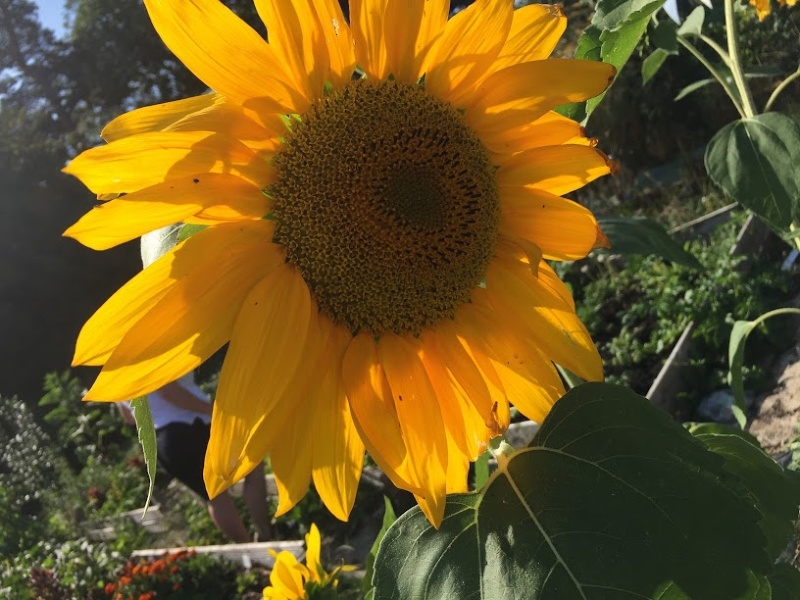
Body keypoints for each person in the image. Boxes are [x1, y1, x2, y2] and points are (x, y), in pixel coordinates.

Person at [118, 373, 271, 543]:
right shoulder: (145, 358)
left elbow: (129, 418)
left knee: (215, 497)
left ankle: (249, 550)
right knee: (252, 468)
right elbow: (170, 393)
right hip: (190, 427)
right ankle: (264, 534)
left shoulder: (114, 376)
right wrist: (216, 411)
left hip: (162, 443)